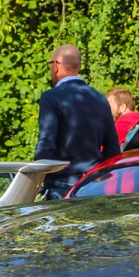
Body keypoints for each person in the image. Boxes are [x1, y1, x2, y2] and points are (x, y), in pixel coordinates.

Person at [34, 44, 120, 198]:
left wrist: (35, 178)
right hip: (93, 181)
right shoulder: (99, 98)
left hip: (61, 182)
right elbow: (112, 147)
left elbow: (47, 143)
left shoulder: (51, 97)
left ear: (56, 66)